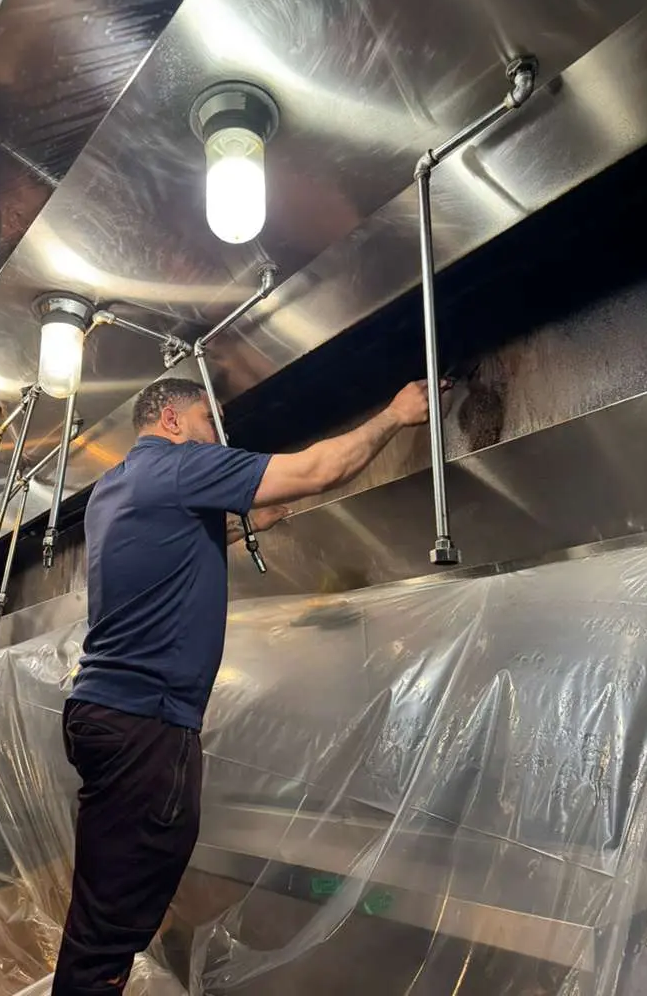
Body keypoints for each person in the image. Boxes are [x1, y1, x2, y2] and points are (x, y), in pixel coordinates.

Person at [52, 375, 442, 994]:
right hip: (146, 724)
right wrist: (395, 414)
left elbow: (166, 546)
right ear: (173, 420)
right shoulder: (181, 465)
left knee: (107, 909)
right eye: (208, 420)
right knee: (111, 928)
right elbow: (318, 469)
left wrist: (238, 523)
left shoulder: (114, 487)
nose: (217, 435)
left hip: (102, 714)